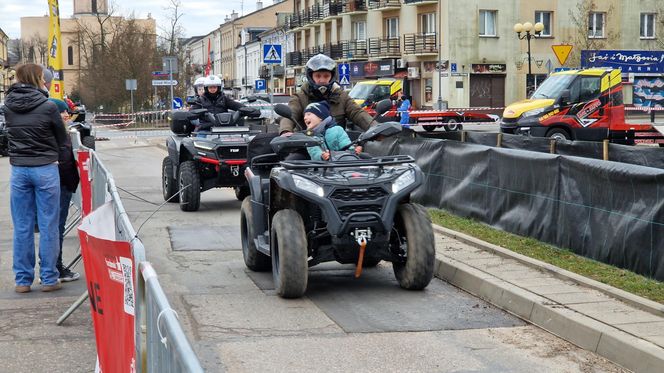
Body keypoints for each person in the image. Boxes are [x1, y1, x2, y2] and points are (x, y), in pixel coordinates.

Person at [4, 63, 68, 293]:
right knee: (49, 224)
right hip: (45, 169)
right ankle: (49, 278)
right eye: (43, 77)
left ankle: (22, 280)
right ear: (37, 78)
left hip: (19, 169)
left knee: (22, 226)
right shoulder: (48, 106)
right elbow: (62, 139)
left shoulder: (8, 106)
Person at [279, 54, 372, 135]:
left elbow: (357, 113)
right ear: (311, 76)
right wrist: (286, 131)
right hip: (306, 147)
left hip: (337, 147)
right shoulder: (300, 97)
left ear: (332, 77)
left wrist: (374, 128)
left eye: (326, 76)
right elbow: (290, 114)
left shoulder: (341, 96)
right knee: (294, 156)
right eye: (318, 76)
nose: (322, 80)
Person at [49, 98, 81, 282]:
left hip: (59, 184)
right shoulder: (59, 134)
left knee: (52, 228)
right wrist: (71, 183)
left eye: (67, 111)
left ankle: (50, 268)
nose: (67, 114)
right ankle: (55, 268)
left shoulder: (57, 131)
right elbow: (64, 162)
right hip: (60, 185)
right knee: (56, 228)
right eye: (63, 112)